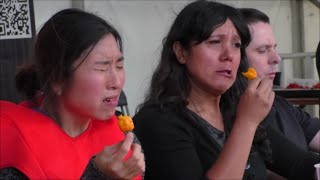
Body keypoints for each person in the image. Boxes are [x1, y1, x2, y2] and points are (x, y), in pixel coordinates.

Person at [133, 1, 320, 179]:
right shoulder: (157, 121)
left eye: (236, 45)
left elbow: (301, 165)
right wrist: (246, 123)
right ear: (181, 52)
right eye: (215, 42)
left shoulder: (232, 109)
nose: (228, 55)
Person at [0, 8, 145, 179]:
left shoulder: (122, 136)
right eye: (102, 68)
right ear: (57, 79)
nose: (117, 82)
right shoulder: (16, 145)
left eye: (119, 66)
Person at [239, 8, 320, 153]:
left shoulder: (281, 106)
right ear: (237, 57)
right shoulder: (229, 117)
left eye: (275, 48)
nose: (277, 58)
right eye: (263, 50)